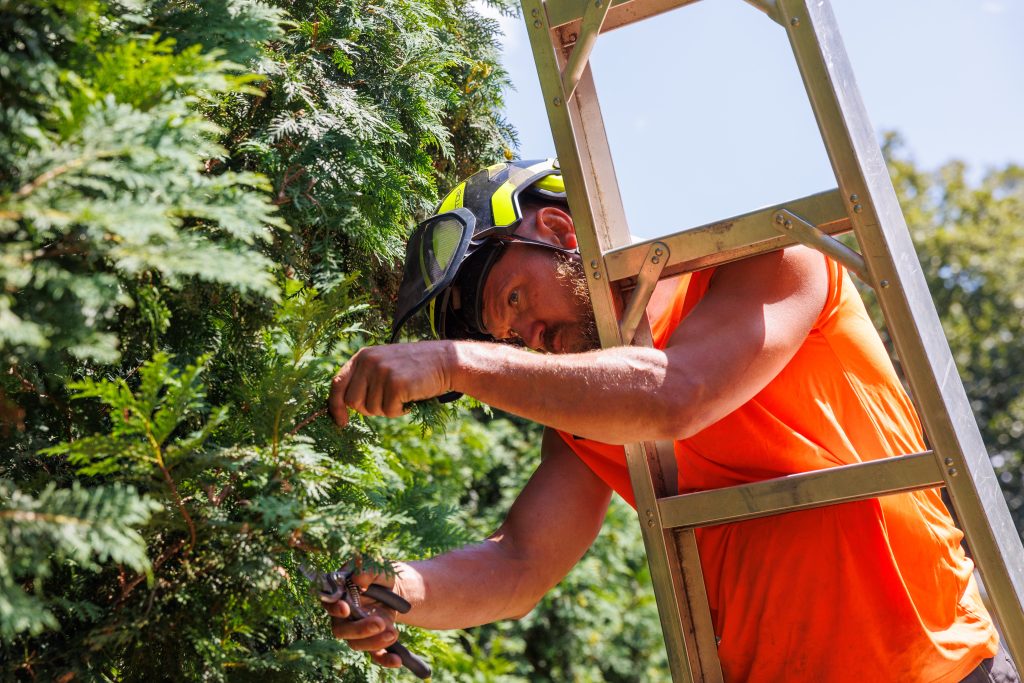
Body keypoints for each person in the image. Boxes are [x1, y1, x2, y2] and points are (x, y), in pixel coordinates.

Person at [326, 159, 1015, 682]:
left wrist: (453, 363)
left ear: (562, 230)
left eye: (517, 300)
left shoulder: (765, 262)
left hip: (944, 668)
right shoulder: (587, 412)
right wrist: (397, 589)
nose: (529, 338)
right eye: (511, 339)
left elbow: (676, 395)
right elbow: (520, 562)